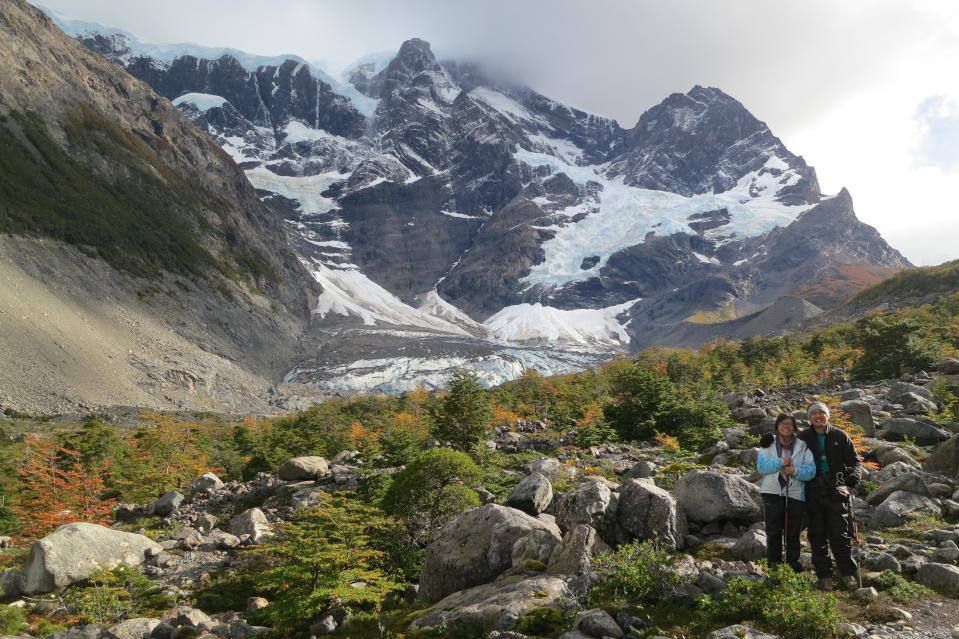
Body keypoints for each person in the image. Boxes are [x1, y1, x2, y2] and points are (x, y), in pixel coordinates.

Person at [799, 401, 862, 591]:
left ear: (828, 415)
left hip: (837, 489)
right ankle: (824, 576)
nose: (818, 416)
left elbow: (855, 462)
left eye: (821, 412)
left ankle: (847, 573)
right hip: (812, 491)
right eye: (813, 414)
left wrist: (853, 479)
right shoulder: (803, 438)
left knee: (840, 534)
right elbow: (790, 455)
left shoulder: (840, 436)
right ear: (809, 418)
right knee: (817, 535)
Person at [757, 414, 815, 572]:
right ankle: (774, 562)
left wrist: (795, 470)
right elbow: (761, 467)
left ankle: (792, 563)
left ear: (795, 427)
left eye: (790, 424)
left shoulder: (803, 446)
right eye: (782, 423)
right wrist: (780, 462)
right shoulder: (767, 444)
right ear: (777, 427)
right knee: (773, 529)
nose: (786, 426)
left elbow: (811, 470)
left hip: (795, 492)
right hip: (771, 492)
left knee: (793, 530)